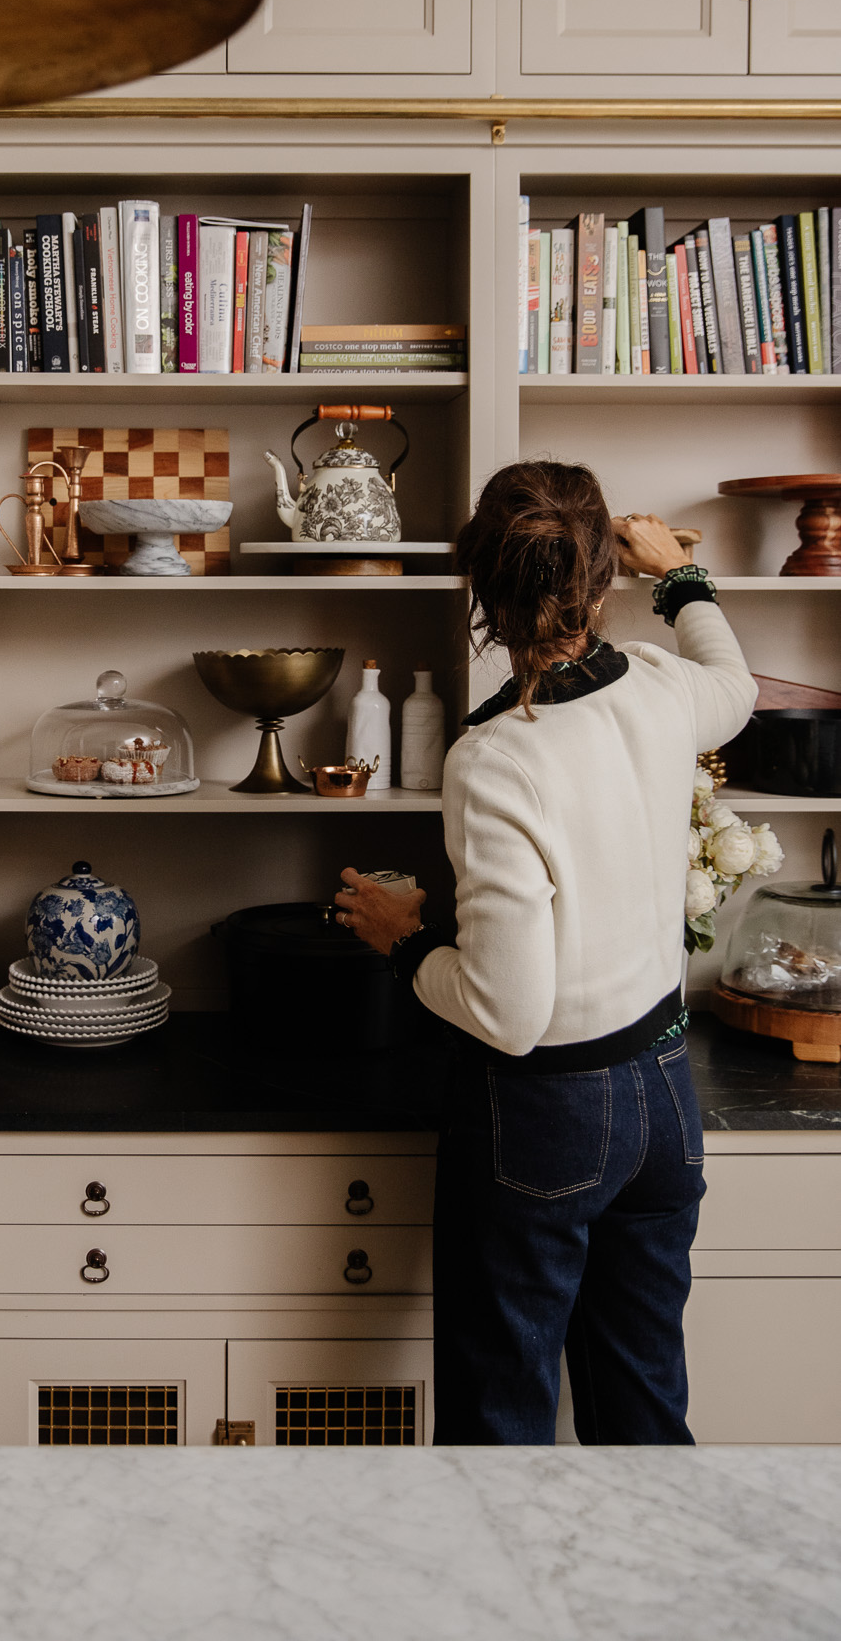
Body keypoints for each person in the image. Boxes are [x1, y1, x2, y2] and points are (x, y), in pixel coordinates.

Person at [334, 460, 756, 1445]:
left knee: (502, 1429)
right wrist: (678, 577)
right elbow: (733, 685)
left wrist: (406, 941)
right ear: (605, 576)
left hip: (548, 1112)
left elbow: (506, 1008)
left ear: (480, 585)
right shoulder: (659, 687)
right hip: (664, 1096)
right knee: (644, 1411)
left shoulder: (495, 758)